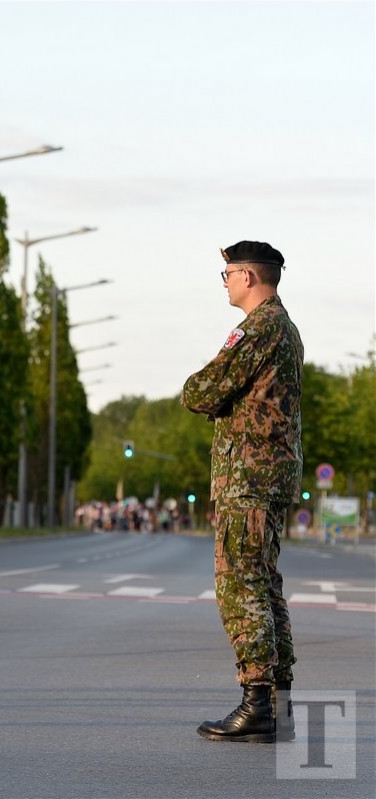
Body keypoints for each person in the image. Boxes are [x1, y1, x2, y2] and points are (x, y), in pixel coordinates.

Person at [180, 241, 301, 743]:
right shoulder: (284, 327)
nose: (225, 281)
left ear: (249, 277)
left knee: (240, 585)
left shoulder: (258, 328)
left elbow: (200, 391)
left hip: (249, 477)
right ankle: (278, 701)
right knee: (265, 584)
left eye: (227, 273)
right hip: (269, 474)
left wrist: (200, 392)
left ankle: (257, 703)